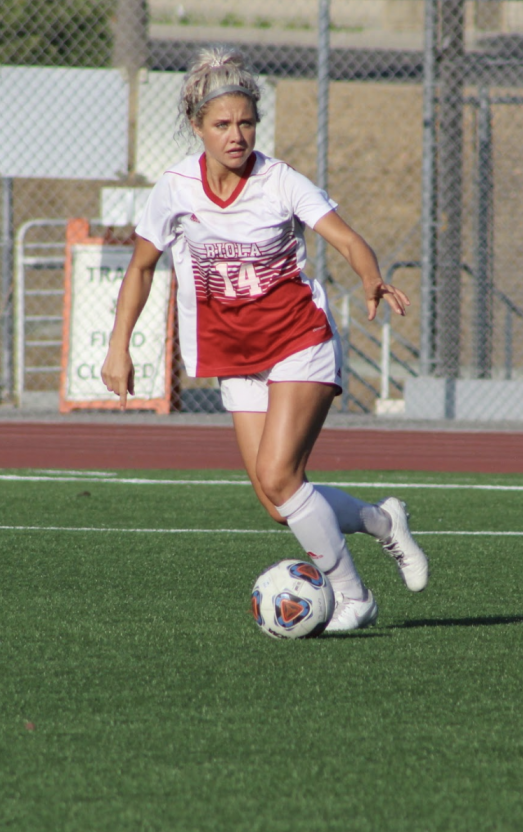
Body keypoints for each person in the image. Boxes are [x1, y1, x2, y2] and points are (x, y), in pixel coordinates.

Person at [100, 47, 428, 632]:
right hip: (235, 356)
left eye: (246, 122)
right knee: (279, 503)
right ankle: (383, 522)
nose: (236, 135)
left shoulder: (279, 182)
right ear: (197, 126)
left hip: (299, 338)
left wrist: (371, 275)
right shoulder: (175, 188)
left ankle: (354, 598)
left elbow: (348, 240)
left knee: (281, 476)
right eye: (222, 124)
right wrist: (118, 345)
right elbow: (142, 267)